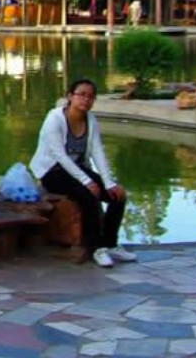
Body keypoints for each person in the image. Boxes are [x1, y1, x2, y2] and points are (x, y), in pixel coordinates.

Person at [29, 79, 137, 268]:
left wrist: (108, 182)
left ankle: (110, 243)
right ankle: (96, 248)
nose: (86, 99)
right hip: (52, 171)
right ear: (70, 96)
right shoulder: (54, 119)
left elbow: (97, 151)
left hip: (77, 169)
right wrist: (87, 181)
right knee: (88, 195)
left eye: (91, 96)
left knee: (117, 195)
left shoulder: (90, 119)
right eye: (82, 94)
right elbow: (59, 155)